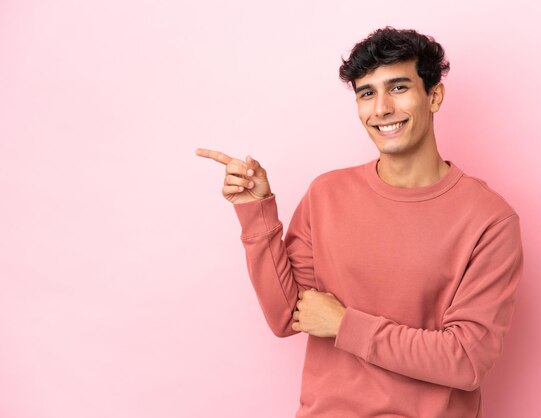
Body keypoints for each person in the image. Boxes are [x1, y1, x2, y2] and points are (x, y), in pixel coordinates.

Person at [196, 27, 523, 418]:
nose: (381, 108)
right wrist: (256, 211)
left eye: (398, 88)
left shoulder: (489, 219)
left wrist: (344, 324)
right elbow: (286, 316)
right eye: (367, 93)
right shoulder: (327, 194)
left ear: (434, 95)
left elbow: (465, 360)